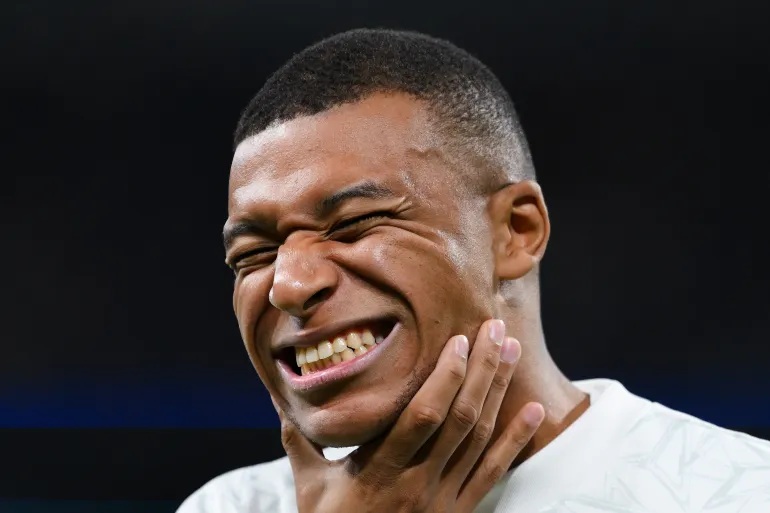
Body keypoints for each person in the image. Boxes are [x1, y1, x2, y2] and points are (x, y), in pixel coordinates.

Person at [178, 28, 770, 513]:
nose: (288, 285)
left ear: (516, 231)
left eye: (354, 223)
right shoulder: (227, 506)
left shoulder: (736, 493)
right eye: (252, 254)